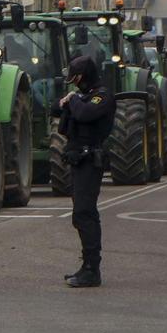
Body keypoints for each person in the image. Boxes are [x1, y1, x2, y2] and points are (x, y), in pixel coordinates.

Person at [56, 55, 116, 288]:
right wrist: (69, 101)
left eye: (77, 79)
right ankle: (87, 266)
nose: (74, 84)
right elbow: (59, 108)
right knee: (80, 214)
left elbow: (84, 114)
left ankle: (92, 269)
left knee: (85, 213)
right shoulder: (82, 97)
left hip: (91, 159)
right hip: (78, 160)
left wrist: (73, 101)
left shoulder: (102, 95)